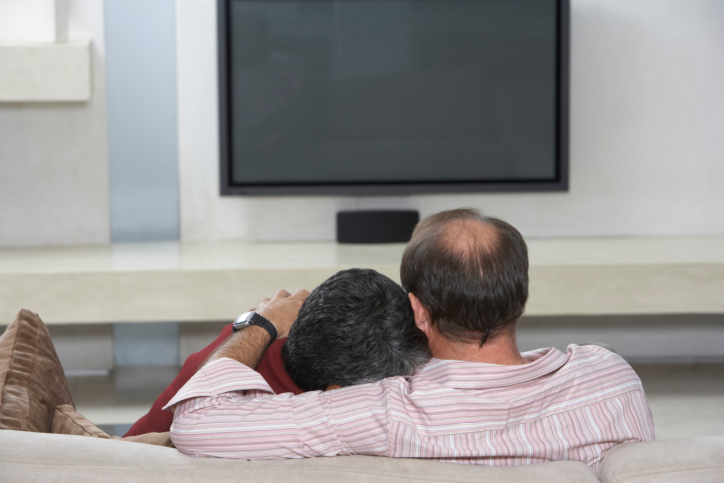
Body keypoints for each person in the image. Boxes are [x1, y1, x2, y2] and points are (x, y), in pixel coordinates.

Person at [165, 208, 655, 472]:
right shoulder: (610, 379)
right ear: (519, 297)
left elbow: (195, 425)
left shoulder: (382, 411)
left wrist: (261, 322)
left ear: (417, 309)